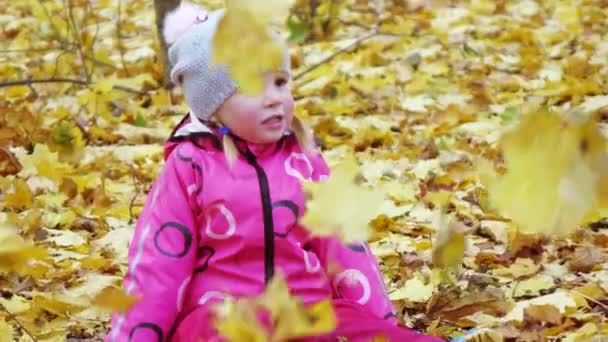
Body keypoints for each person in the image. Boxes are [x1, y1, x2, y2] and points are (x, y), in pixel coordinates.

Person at [106, 3, 443, 341]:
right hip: (223, 317)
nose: (274, 99)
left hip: (303, 310)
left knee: (349, 323)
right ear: (214, 108)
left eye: (280, 82)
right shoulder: (190, 167)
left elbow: (345, 250)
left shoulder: (305, 162)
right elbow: (158, 267)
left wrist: (380, 325)